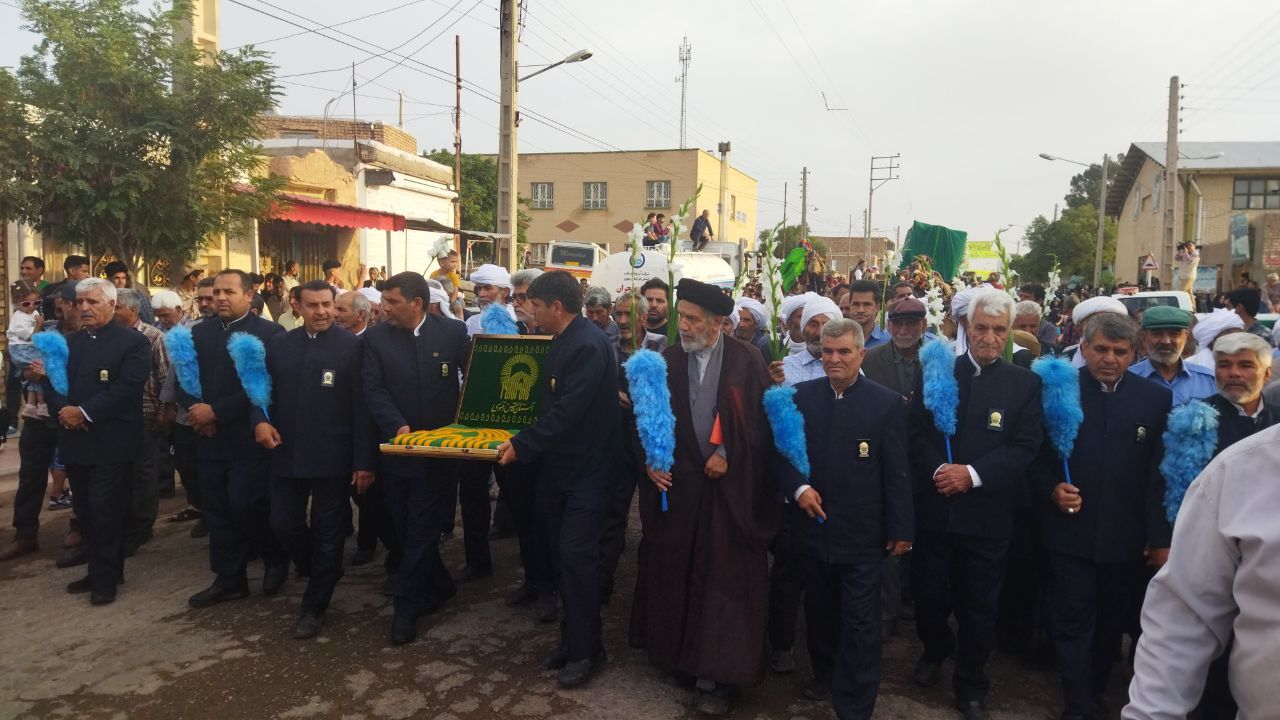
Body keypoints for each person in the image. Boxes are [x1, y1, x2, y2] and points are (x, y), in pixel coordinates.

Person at [631, 278, 781, 716]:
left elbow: (761, 424)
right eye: (684, 318)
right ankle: (679, 657)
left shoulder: (746, 360)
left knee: (723, 579)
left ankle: (717, 675)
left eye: (695, 320)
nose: (686, 327)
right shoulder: (667, 359)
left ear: (718, 324)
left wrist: (727, 450)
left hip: (728, 495)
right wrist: (652, 460)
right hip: (681, 492)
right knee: (676, 569)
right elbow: (648, 420)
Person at [908, 289, 1044, 720]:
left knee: (980, 607)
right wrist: (938, 471)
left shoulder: (1025, 383)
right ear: (966, 327)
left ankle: (970, 682)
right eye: (981, 327)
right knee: (929, 597)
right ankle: (935, 648)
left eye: (998, 330)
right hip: (936, 511)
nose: (989, 337)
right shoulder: (937, 371)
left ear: (1009, 334)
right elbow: (916, 433)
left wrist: (972, 474)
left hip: (987, 517)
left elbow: (1025, 447)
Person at [1037, 313, 1172, 720]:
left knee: (1111, 624)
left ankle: (1095, 687)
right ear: (1084, 348)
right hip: (1070, 531)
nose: (1109, 359)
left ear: (1135, 353)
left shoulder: (1155, 398)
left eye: (1119, 351)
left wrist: (1159, 537)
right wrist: (1051, 487)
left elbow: (1159, 474)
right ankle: (1076, 703)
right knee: (1072, 621)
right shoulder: (1060, 391)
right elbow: (1034, 454)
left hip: (1125, 537)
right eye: (1100, 349)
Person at [780, 318, 913, 719]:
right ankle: (824, 674)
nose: (834, 359)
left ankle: (855, 702)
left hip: (863, 534)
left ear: (861, 353)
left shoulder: (885, 403)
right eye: (828, 351)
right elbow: (783, 454)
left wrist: (902, 528)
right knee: (820, 612)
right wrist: (799, 488)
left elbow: (897, 470)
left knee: (859, 622)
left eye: (844, 352)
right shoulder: (800, 397)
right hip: (814, 529)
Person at [495, 270, 621, 688]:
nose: (527, 310)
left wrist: (524, 445)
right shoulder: (563, 340)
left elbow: (568, 411)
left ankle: (588, 650)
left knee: (576, 559)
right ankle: (573, 641)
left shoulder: (588, 345)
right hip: (560, 472)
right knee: (561, 557)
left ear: (556, 307)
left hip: (588, 475)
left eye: (533, 303)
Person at [1122, 422, 1280, 720]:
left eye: (1246, 369)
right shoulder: (1239, 470)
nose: (1234, 372)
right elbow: (1183, 618)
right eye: (1226, 369)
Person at [253, 281, 374, 639]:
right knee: (283, 523)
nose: (322, 312)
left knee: (328, 531)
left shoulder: (353, 347)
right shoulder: (279, 345)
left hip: (333, 458)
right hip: (285, 453)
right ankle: (319, 567)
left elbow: (362, 410)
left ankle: (314, 605)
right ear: (296, 306)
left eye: (328, 305)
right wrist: (258, 420)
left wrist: (363, 460)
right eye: (313, 305)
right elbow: (260, 392)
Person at [361, 271, 471, 645]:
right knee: (406, 527)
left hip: (441, 455)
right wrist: (398, 425)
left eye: (391, 302)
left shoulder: (452, 333)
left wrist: (470, 425)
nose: (383, 308)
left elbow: (475, 379)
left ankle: (406, 609)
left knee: (423, 528)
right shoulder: (375, 339)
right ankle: (441, 584)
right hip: (398, 450)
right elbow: (372, 389)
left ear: (417, 304)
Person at [181, 270, 289, 609]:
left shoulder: (269, 333)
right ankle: (230, 578)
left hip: (249, 435)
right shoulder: (200, 333)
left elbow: (266, 387)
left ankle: (275, 559)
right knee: (217, 510)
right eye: (216, 292)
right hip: (209, 436)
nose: (220, 298)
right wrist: (197, 411)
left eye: (229, 291)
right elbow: (186, 377)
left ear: (249, 294)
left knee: (247, 505)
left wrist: (218, 411)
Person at [47, 278, 151, 604]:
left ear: (110, 303)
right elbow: (54, 381)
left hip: (111, 441)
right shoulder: (71, 342)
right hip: (76, 440)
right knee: (86, 510)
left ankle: (106, 579)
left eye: (92, 302)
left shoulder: (132, 343)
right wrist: (63, 411)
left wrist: (85, 412)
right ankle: (99, 569)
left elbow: (127, 388)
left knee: (107, 510)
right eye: (81, 303)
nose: (85, 308)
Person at [0, 284, 83, 563]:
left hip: (74, 414)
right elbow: (21, 364)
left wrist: (50, 372)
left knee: (80, 471)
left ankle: (80, 527)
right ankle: (25, 534)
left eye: (64, 306)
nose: (60, 313)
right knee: (31, 474)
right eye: (56, 308)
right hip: (39, 415)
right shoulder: (44, 330)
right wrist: (30, 372)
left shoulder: (90, 334)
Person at [113, 288, 169, 557]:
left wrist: (162, 410)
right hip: (116, 417)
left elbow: (164, 376)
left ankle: (143, 526)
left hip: (146, 413)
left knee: (145, 473)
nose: (113, 313)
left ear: (132, 310)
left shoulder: (153, 336)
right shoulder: (109, 338)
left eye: (117, 308)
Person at [1126, 306, 1216, 407]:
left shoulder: (1208, 380)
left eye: (1174, 334)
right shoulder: (1127, 380)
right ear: (1143, 337)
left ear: (1186, 336)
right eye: (1157, 334)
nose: (1166, 341)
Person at [862, 297, 927, 400]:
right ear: (888, 326)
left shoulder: (936, 361)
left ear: (924, 325)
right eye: (897, 323)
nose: (903, 331)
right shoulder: (869, 359)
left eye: (911, 323)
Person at [40, 254, 90, 319]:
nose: (88, 275)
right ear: (72, 271)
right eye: (84, 271)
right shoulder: (50, 290)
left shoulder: (88, 290)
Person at [845, 280, 890, 349]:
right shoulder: (838, 338)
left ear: (878, 307)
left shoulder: (888, 342)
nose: (860, 310)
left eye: (867, 304)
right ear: (850, 306)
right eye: (856, 304)